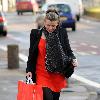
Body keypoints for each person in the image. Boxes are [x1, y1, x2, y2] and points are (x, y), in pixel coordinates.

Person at [26, 9, 78, 100]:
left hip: (57, 74)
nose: (50, 28)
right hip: (41, 73)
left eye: (53, 25)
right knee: (47, 97)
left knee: (55, 98)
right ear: (44, 22)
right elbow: (31, 55)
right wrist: (29, 70)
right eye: (48, 25)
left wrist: (73, 59)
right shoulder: (35, 34)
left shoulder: (62, 33)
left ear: (57, 23)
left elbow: (68, 50)